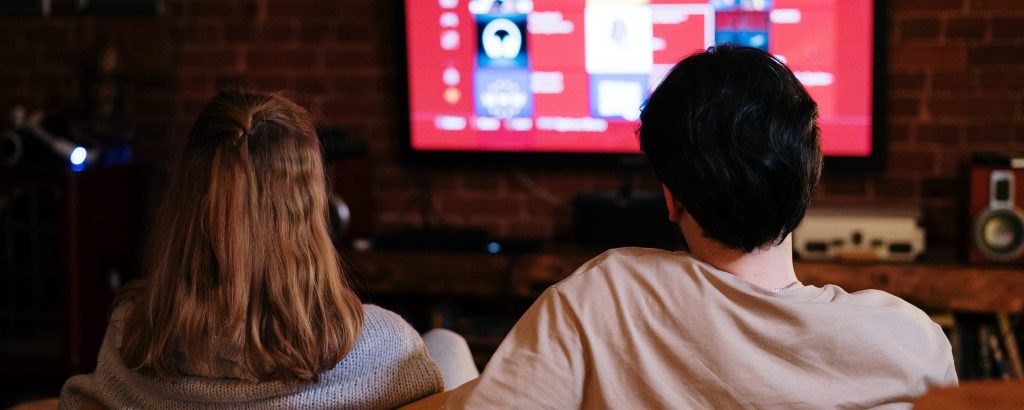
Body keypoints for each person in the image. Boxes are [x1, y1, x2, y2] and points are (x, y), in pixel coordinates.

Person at [443, 45, 958, 408]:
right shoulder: (916, 342)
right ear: (809, 180)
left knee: (444, 345)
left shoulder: (603, 297)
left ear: (671, 199)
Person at [58, 91, 445, 409]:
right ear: (312, 208)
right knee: (449, 344)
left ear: (186, 206)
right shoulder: (384, 347)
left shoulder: (132, 333)